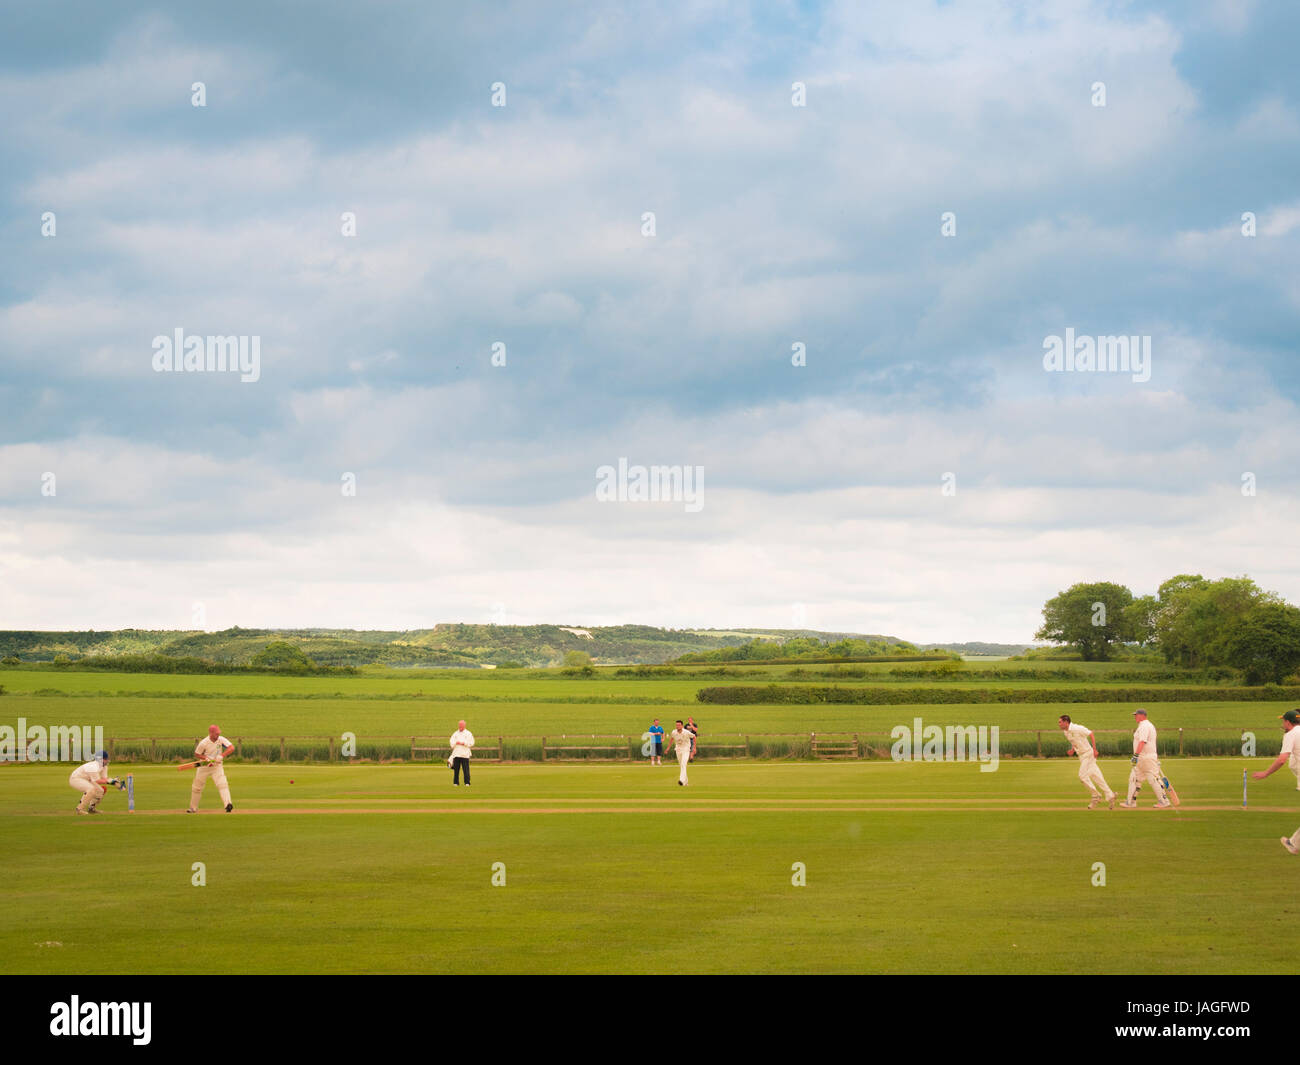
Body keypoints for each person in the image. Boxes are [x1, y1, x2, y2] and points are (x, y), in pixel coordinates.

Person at [1251, 710, 1300, 855]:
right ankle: (1293, 843)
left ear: (1288, 722)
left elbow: (1282, 759)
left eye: (1283, 721)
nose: (1282, 724)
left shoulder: (1291, 735)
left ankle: (1293, 843)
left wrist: (1265, 773)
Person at [1057, 715, 1115, 809]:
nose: (1059, 724)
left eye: (1060, 722)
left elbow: (1091, 734)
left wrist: (1095, 750)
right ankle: (1110, 795)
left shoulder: (1077, 728)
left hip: (1088, 754)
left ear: (1066, 722)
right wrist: (1072, 749)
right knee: (1096, 776)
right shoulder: (1065, 732)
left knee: (1082, 776)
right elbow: (1074, 741)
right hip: (1081, 756)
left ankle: (1096, 796)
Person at [1120, 709, 1169, 809]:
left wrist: (1136, 755)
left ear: (1142, 715)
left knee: (1153, 779)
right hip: (1144, 758)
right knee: (1134, 778)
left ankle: (1163, 801)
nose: (1135, 717)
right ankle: (1131, 802)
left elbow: (1142, 742)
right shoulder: (1145, 725)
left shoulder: (1144, 726)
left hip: (1145, 758)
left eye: (1136, 715)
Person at [187, 724, 235, 813]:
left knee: (222, 784)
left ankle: (228, 804)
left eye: (218, 733)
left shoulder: (221, 739)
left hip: (217, 766)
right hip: (204, 767)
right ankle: (193, 808)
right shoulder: (204, 743)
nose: (218, 735)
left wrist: (222, 755)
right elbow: (197, 754)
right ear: (211, 733)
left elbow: (231, 748)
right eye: (216, 734)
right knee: (197, 787)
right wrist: (206, 758)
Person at [69, 750, 120, 815]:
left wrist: (114, 781)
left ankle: (91, 809)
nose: (107, 760)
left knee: (100, 791)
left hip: (87, 779)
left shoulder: (104, 766)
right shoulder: (93, 766)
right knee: (91, 789)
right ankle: (79, 809)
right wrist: (113, 782)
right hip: (76, 779)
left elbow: (104, 778)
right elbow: (98, 781)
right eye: (105, 759)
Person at [449, 719, 475, 786]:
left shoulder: (468, 733)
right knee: (456, 769)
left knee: (466, 769)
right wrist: (455, 743)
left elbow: (472, 743)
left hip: (465, 754)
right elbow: (451, 742)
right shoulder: (455, 733)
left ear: (464, 725)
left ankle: (467, 782)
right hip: (456, 754)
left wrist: (464, 743)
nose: (460, 726)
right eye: (459, 725)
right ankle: (456, 782)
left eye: (461, 725)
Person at [668, 719, 693, 786]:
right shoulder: (674, 732)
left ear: (682, 726)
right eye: (676, 725)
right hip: (678, 750)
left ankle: (681, 780)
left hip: (686, 749)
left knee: (683, 764)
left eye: (679, 725)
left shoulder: (686, 732)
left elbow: (694, 737)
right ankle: (686, 782)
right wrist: (668, 748)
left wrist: (694, 748)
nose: (677, 726)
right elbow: (671, 738)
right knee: (682, 766)